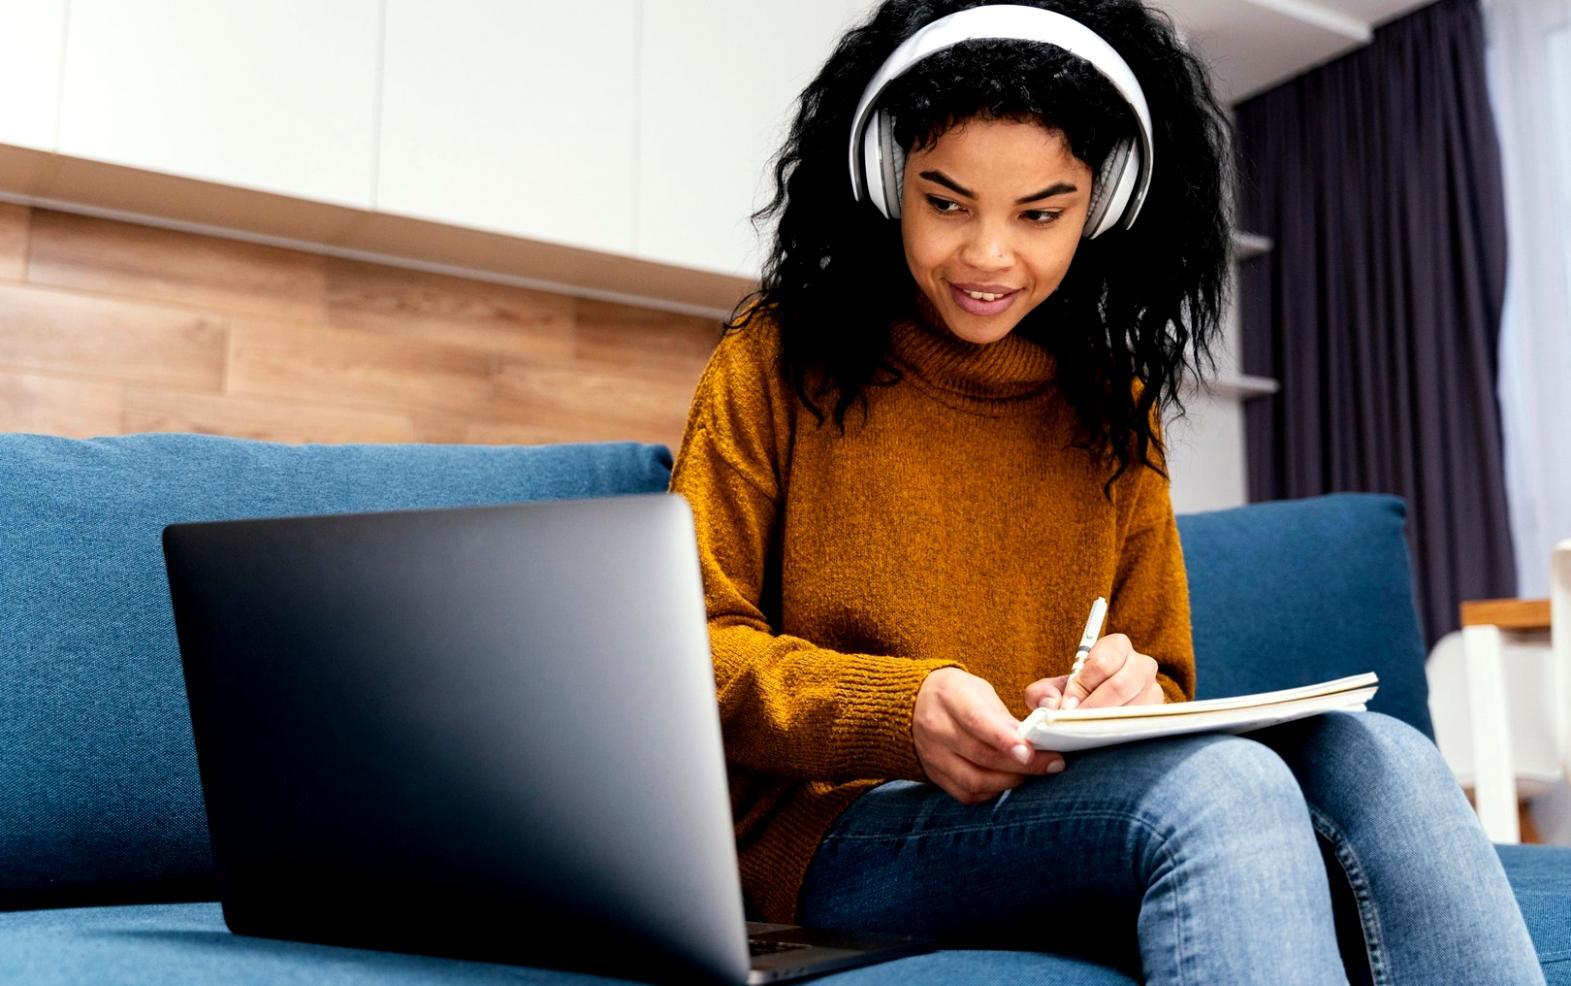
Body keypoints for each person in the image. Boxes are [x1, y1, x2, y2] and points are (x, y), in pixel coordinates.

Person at [667, 1, 1545, 982]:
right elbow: (685, 652)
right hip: (832, 828)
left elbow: (1165, 674)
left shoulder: (1110, 406)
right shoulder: (773, 357)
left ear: (1102, 204)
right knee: (1222, 791)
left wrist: (1126, 685)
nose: (988, 255)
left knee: (1386, 757)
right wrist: (898, 709)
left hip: (1049, 802)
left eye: (1039, 213)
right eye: (945, 201)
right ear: (885, 179)